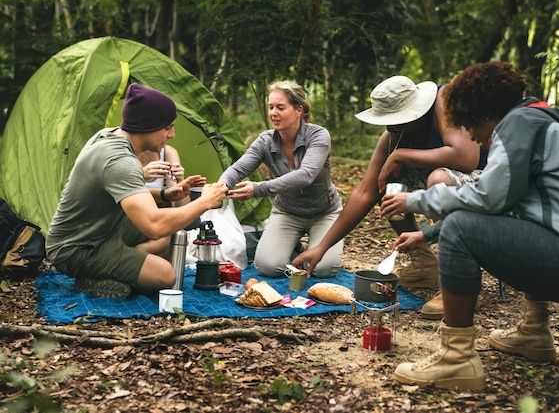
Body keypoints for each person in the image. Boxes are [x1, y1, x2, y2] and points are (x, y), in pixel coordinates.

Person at [380, 61, 559, 390]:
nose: (476, 140)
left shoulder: (518, 125)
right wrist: (427, 233)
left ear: (482, 115)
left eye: (473, 130)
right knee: (516, 221)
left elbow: (487, 199)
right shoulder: (535, 121)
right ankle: (534, 330)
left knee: (460, 230)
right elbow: (502, 202)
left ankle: (456, 359)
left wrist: (416, 201)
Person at [292, 75, 487, 318]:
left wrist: (400, 156)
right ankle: (426, 265)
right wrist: (321, 247)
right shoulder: (395, 135)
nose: (390, 127)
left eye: (396, 120)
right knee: (388, 185)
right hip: (446, 189)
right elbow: (365, 192)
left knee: (439, 181)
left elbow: (466, 158)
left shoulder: (444, 103)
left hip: (487, 187)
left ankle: (461, 282)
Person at [46, 83, 227, 298]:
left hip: (104, 229)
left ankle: (116, 266)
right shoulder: (120, 161)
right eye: (168, 127)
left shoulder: (108, 135)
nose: (172, 135)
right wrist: (205, 201)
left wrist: (164, 195)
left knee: (172, 236)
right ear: (147, 125)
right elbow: (153, 225)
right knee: (165, 276)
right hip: (78, 248)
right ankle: (98, 274)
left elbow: (121, 190)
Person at [218, 80, 343, 278]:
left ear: (298, 110)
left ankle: (310, 248)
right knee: (268, 267)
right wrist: (219, 187)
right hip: (288, 212)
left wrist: (258, 189)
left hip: (324, 212)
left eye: (280, 107)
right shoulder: (265, 140)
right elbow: (240, 168)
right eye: (270, 107)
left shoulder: (318, 135)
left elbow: (306, 175)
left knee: (323, 269)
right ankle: (293, 247)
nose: (273, 113)